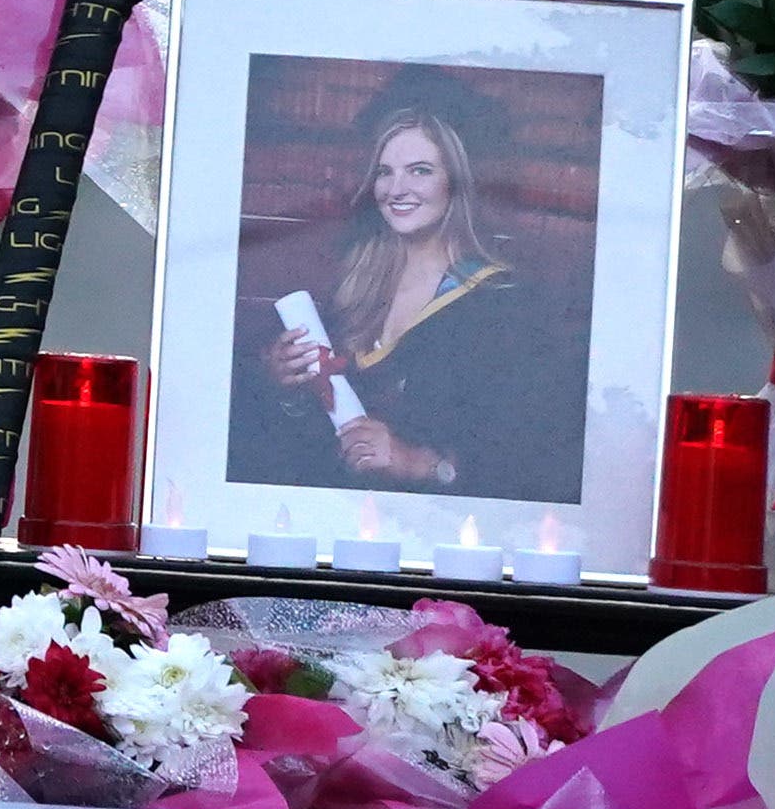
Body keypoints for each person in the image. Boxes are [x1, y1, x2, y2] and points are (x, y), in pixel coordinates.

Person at [238, 72, 587, 504]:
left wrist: (416, 462)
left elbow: (532, 458)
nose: (396, 190)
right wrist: (284, 384)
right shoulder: (357, 289)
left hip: (433, 541)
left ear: (455, 182)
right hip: (336, 521)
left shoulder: (504, 306)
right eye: (385, 173)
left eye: (420, 170)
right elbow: (306, 440)